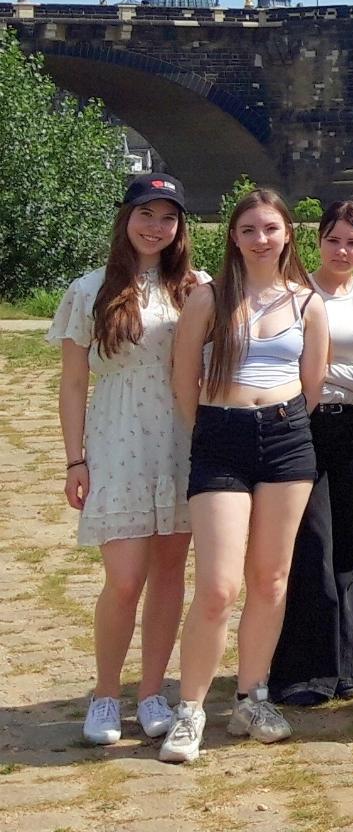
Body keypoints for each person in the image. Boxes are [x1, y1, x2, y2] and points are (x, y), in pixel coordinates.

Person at [161, 189, 329, 764]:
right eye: (250, 229)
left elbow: (314, 383)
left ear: (288, 236)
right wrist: (212, 428)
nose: (262, 238)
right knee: (217, 587)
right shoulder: (209, 298)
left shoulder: (308, 303)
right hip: (221, 440)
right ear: (234, 237)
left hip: (286, 440)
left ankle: (252, 696)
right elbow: (183, 378)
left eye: (272, 228)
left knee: (271, 579)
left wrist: (277, 422)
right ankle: (190, 709)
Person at [49, 173, 205, 747]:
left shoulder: (197, 287)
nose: (155, 227)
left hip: (181, 441)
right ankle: (105, 693)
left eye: (168, 217)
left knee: (169, 575)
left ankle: (152, 692)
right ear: (126, 218)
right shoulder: (88, 290)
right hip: (117, 442)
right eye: (146, 214)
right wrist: (75, 460)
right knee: (124, 578)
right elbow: (72, 383)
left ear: (180, 226)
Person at [268, 200, 353, 705]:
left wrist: (319, 369)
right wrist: (338, 378)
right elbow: (283, 366)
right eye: (334, 239)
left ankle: (349, 666)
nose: (342, 250)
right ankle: (306, 671)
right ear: (317, 241)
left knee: (352, 543)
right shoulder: (294, 297)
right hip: (302, 427)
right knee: (311, 544)